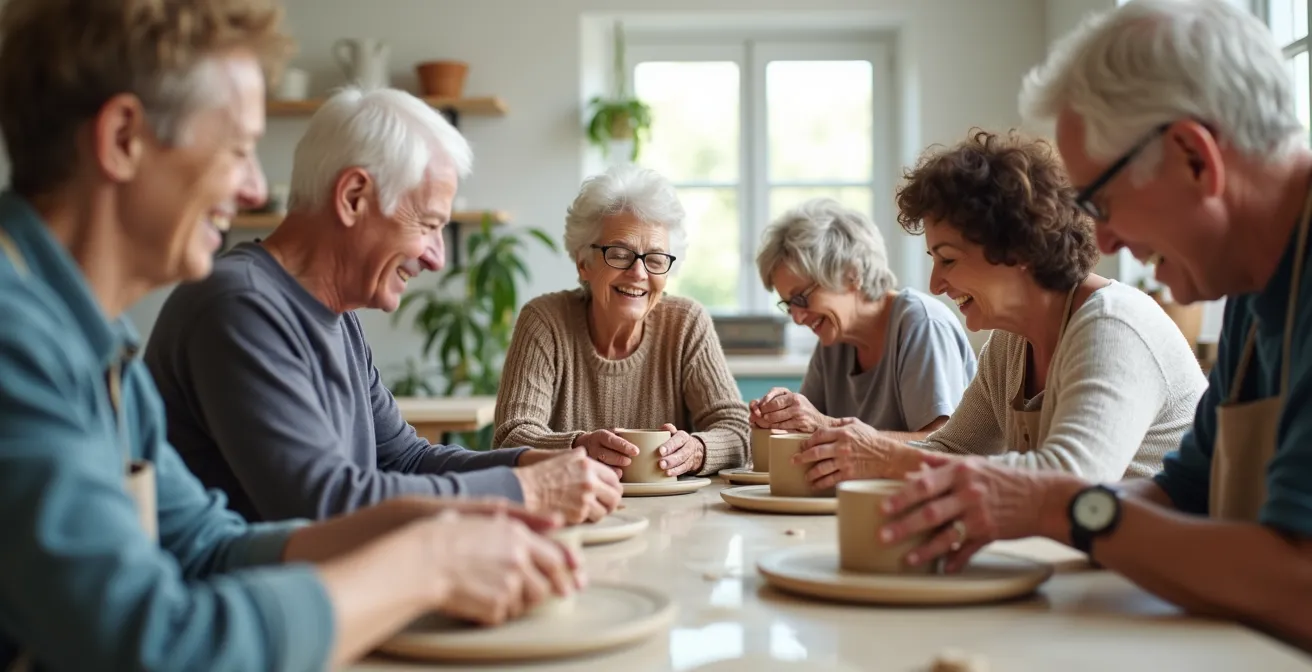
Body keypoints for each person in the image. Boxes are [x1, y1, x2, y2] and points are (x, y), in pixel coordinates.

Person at [0, 1, 578, 669]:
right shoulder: (17, 341)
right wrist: (430, 561)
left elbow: (205, 546)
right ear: (124, 138)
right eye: (240, 149)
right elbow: (155, 645)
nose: (252, 189)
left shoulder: (96, 345)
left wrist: (466, 524)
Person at [879, 0, 1312, 649]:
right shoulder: (1255, 288)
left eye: (1101, 202)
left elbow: (1298, 584)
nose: (1102, 236)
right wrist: (1015, 502)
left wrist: (1056, 506)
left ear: (1195, 157)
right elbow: (1181, 495)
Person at [144, 85, 621, 524]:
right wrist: (524, 490)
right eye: (429, 224)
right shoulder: (239, 306)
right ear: (354, 197)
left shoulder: (336, 314)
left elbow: (405, 459)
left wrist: (533, 462)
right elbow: (324, 503)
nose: (437, 258)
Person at [793, 129, 1207, 490]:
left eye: (948, 259)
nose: (936, 284)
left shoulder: (1113, 325)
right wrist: (857, 446)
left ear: (1018, 250)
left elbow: (1071, 479)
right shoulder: (1010, 344)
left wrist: (887, 457)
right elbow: (951, 449)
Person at [493, 164, 749, 477]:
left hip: (672, 514)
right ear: (583, 262)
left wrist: (697, 450)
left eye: (655, 259)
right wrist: (579, 447)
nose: (639, 273)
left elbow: (738, 430)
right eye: (619, 253)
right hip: (572, 511)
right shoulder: (545, 322)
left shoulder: (686, 324)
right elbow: (509, 439)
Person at [750, 197, 977, 438]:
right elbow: (807, 431)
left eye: (801, 298)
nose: (796, 318)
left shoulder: (921, 323)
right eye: (788, 304)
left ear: (852, 274)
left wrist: (825, 425)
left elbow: (943, 447)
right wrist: (782, 420)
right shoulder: (833, 342)